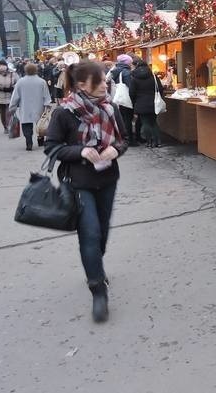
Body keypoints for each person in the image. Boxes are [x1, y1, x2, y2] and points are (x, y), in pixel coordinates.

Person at [44, 60, 128, 323]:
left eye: (105, 79)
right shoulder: (64, 112)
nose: (106, 84)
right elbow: (52, 147)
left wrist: (117, 149)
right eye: (100, 80)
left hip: (108, 180)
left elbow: (123, 139)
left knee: (101, 232)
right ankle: (98, 290)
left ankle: (95, 264)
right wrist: (80, 151)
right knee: (89, 234)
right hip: (78, 182)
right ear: (82, 84)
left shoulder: (111, 108)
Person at [8, 63, 52, 150]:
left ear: (25, 71)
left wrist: (12, 107)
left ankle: (29, 141)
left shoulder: (20, 82)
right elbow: (46, 95)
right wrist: (47, 105)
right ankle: (40, 140)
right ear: (36, 70)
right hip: (39, 106)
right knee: (40, 123)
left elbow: (15, 96)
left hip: (25, 107)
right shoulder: (42, 81)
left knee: (26, 124)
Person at [129, 59, 164, 148]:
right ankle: (158, 142)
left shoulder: (134, 77)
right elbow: (160, 89)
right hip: (153, 102)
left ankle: (149, 142)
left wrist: (134, 103)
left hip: (140, 103)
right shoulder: (154, 76)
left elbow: (131, 93)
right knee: (153, 122)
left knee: (145, 122)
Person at [106, 54, 136, 146]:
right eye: (130, 62)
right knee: (128, 119)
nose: (131, 64)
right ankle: (129, 140)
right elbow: (130, 86)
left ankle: (123, 138)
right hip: (126, 98)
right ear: (127, 62)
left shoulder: (115, 70)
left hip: (118, 97)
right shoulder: (126, 72)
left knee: (123, 118)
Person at [0, 59, 19, 133]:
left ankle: (10, 126)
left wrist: (12, 87)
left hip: (10, 96)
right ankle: (5, 126)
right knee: (2, 114)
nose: (2, 67)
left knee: (9, 112)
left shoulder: (12, 74)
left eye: (3, 65)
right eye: (0, 66)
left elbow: (18, 82)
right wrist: (0, 88)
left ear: (6, 66)